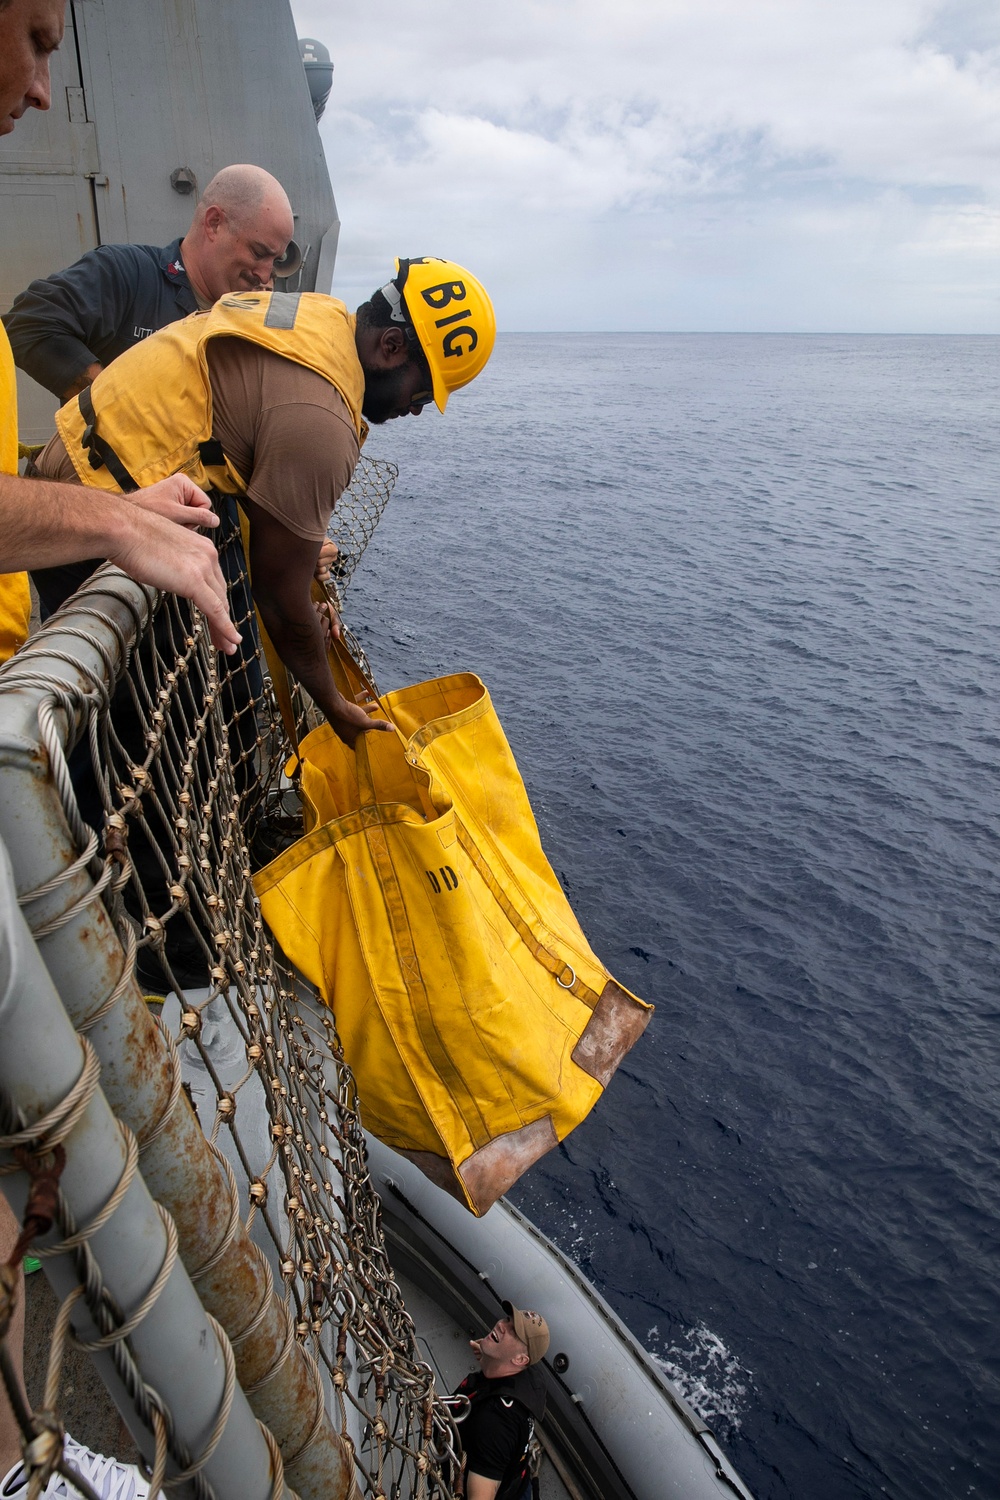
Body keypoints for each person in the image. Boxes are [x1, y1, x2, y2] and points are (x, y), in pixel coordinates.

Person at [0, 5, 236, 1495]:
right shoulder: (117, 286)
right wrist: (104, 503)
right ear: (209, 233)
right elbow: (41, 337)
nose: (39, 81)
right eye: (26, 34)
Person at [31, 255, 497, 747]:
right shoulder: (324, 420)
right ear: (391, 345)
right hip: (90, 515)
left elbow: (249, 422)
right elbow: (279, 597)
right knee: (142, 732)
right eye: (423, 393)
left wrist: (302, 543)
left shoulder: (322, 319)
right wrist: (336, 707)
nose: (417, 410)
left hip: (74, 465)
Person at [3, 163, 295, 402]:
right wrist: (118, 407)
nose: (266, 275)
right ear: (214, 223)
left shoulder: (252, 321)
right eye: (259, 253)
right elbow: (28, 323)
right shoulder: (126, 272)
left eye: (276, 261)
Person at [452, 1303, 550, 1500]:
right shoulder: (529, 1377)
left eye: (513, 1331)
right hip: (517, 1483)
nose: (501, 1325)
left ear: (520, 1360)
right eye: (507, 1319)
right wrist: (488, 1351)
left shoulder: (494, 1424)